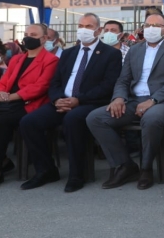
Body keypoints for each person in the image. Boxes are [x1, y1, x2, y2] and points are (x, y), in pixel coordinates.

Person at [19, 13, 122, 192]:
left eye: (88, 26)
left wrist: (79, 99)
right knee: (29, 122)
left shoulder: (111, 54)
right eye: (80, 26)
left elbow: (108, 85)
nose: (83, 30)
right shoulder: (68, 53)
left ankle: (77, 174)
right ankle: (46, 170)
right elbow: (55, 81)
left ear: (98, 30)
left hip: (90, 102)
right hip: (63, 100)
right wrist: (58, 99)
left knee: (72, 120)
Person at [86, 13, 164, 190]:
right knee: (95, 118)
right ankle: (125, 165)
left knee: (151, 118)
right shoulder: (135, 49)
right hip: (134, 100)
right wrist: (119, 98)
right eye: (148, 25)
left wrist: (153, 100)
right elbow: (123, 79)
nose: (151, 29)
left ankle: (146, 168)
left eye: (156, 25)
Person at [0, 24, 59, 190]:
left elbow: (41, 86)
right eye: (26, 34)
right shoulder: (17, 59)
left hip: (29, 103)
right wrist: (1, 94)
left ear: (44, 39)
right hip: (7, 102)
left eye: (33, 34)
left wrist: (10, 97)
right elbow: (3, 81)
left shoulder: (51, 60)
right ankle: (3, 161)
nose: (28, 37)